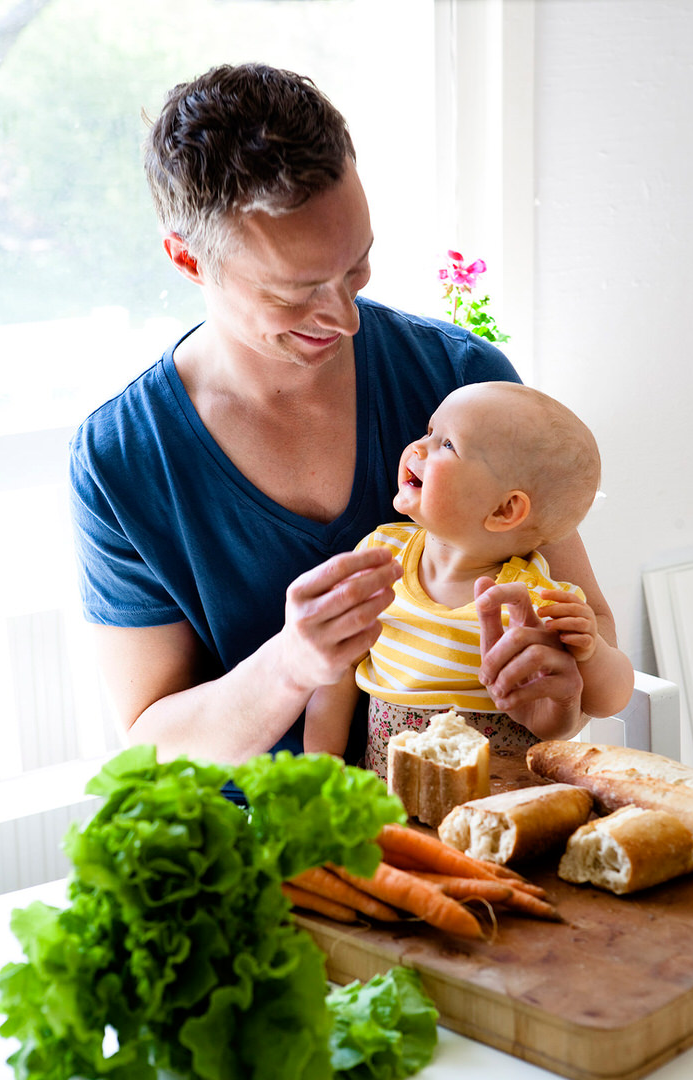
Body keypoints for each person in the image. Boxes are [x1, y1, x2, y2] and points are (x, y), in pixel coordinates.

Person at [69, 62, 621, 775]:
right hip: (268, 842)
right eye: (295, 292)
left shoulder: (462, 383)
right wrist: (293, 664)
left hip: (470, 815)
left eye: (356, 266)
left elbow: (588, 643)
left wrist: (556, 690)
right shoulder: (123, 461)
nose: (344, 315)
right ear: (188, 260)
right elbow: (153, 744)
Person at [303, 381, 634, 772]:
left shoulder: (534, 601)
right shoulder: (379, 556)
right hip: (387, 795)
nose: (417, 448)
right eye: (429, 432)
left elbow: (609, 701)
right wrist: (322, 769)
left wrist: (591, 651)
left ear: (505, 510)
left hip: (501, 808)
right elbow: (336, 673)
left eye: (447, 445)